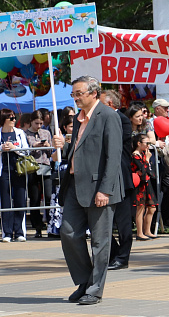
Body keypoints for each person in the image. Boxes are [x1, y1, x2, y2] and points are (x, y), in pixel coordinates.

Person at [52, 75, 123, 305]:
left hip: (99, 187)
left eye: (79, 93)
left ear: (94, 93)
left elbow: (113, 156)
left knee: (100, 242)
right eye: (73, 94)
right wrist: (64, 145)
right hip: (75, 185)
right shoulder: (79, 119)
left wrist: (106, 189)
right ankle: (84, 280)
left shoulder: (108, 116)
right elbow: (80, 149)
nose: (75, 98)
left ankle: (95, 289)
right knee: (69, 233)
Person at [102, 90, 134, 270]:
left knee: (122, 221)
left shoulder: (122, 119)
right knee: (102, 221)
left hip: (121, 176)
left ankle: (123, 258)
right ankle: (113, 254)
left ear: (109, 105)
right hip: (105, 176)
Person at [25, 109, 56, 238]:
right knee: (35, 199)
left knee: (48, 196)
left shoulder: (46, 132)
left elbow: (51, 153)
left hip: (45, 166)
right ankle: (37, 227)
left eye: (40, 123)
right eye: (36, 123)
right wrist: (34, 146)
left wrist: (48, 146)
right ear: (31, 122)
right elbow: (24, 152)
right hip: (32, 167)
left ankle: (50, 224)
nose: (38, 126)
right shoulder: (25, 134)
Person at [0, 109, 30, 242]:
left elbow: (27, 150)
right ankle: (6, 232)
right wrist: (2, 148)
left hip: (18, 170)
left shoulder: (19, 133)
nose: (14, 120)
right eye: (11, 118)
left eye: (14, 118)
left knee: (20, 200)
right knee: (5, 201)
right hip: (4, 171)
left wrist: (14, 148)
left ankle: (19, 232)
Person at [48, 114, 74, 238]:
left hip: (75, 173)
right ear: (65, 127)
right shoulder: (60, 139)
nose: (73, 129)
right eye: (71, 126)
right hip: (61, 172)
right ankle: (56, 227)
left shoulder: (80, 137)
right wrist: (60, 147)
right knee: (59, 200)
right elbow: (53, 158)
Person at [131, 133, 157, 240]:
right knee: (140, 208)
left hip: (146, 183)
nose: (148, 146)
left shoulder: (143, 154)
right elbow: (143, 168)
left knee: (152, 208)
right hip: (139, 185)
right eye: (147, 143)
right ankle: (139, 232)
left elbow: (147, 171)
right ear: (139, 143)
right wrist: (147, 160)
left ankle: (147, 230)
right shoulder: (135, 155)